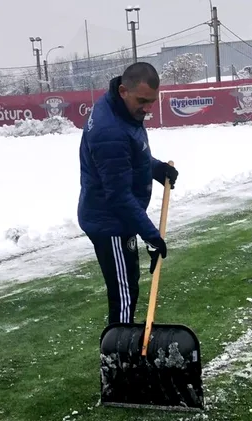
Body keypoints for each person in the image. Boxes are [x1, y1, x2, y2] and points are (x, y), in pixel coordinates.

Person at [77, 62, 179, 325]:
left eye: (152, 101)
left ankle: (123, 352)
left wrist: (156, 169)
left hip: (118, 216)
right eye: (142, 101)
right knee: (123, 293)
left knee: (128, 284)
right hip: (109, 221)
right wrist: (152, 236)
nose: (148, 108)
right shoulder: (108, 130)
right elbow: (119, 196)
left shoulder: (123, 111)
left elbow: (130, 155)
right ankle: (118, 360)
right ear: (123, 90)